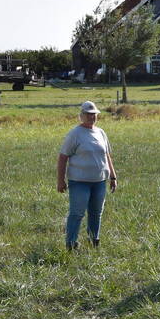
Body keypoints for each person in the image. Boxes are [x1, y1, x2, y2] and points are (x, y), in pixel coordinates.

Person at [56, 100, 117, 250]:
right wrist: (60, 181)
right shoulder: (75, 134)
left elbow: (107, 155)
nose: (91, 117)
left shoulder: (101, 132)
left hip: (99, 181)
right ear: (81, 116)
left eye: (94, 114)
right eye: (88, 114)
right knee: (77, 213)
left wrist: (113, 177)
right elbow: (63, 157)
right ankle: (71, 244)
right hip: (79, 181)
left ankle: (93, 241)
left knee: (96, 213)